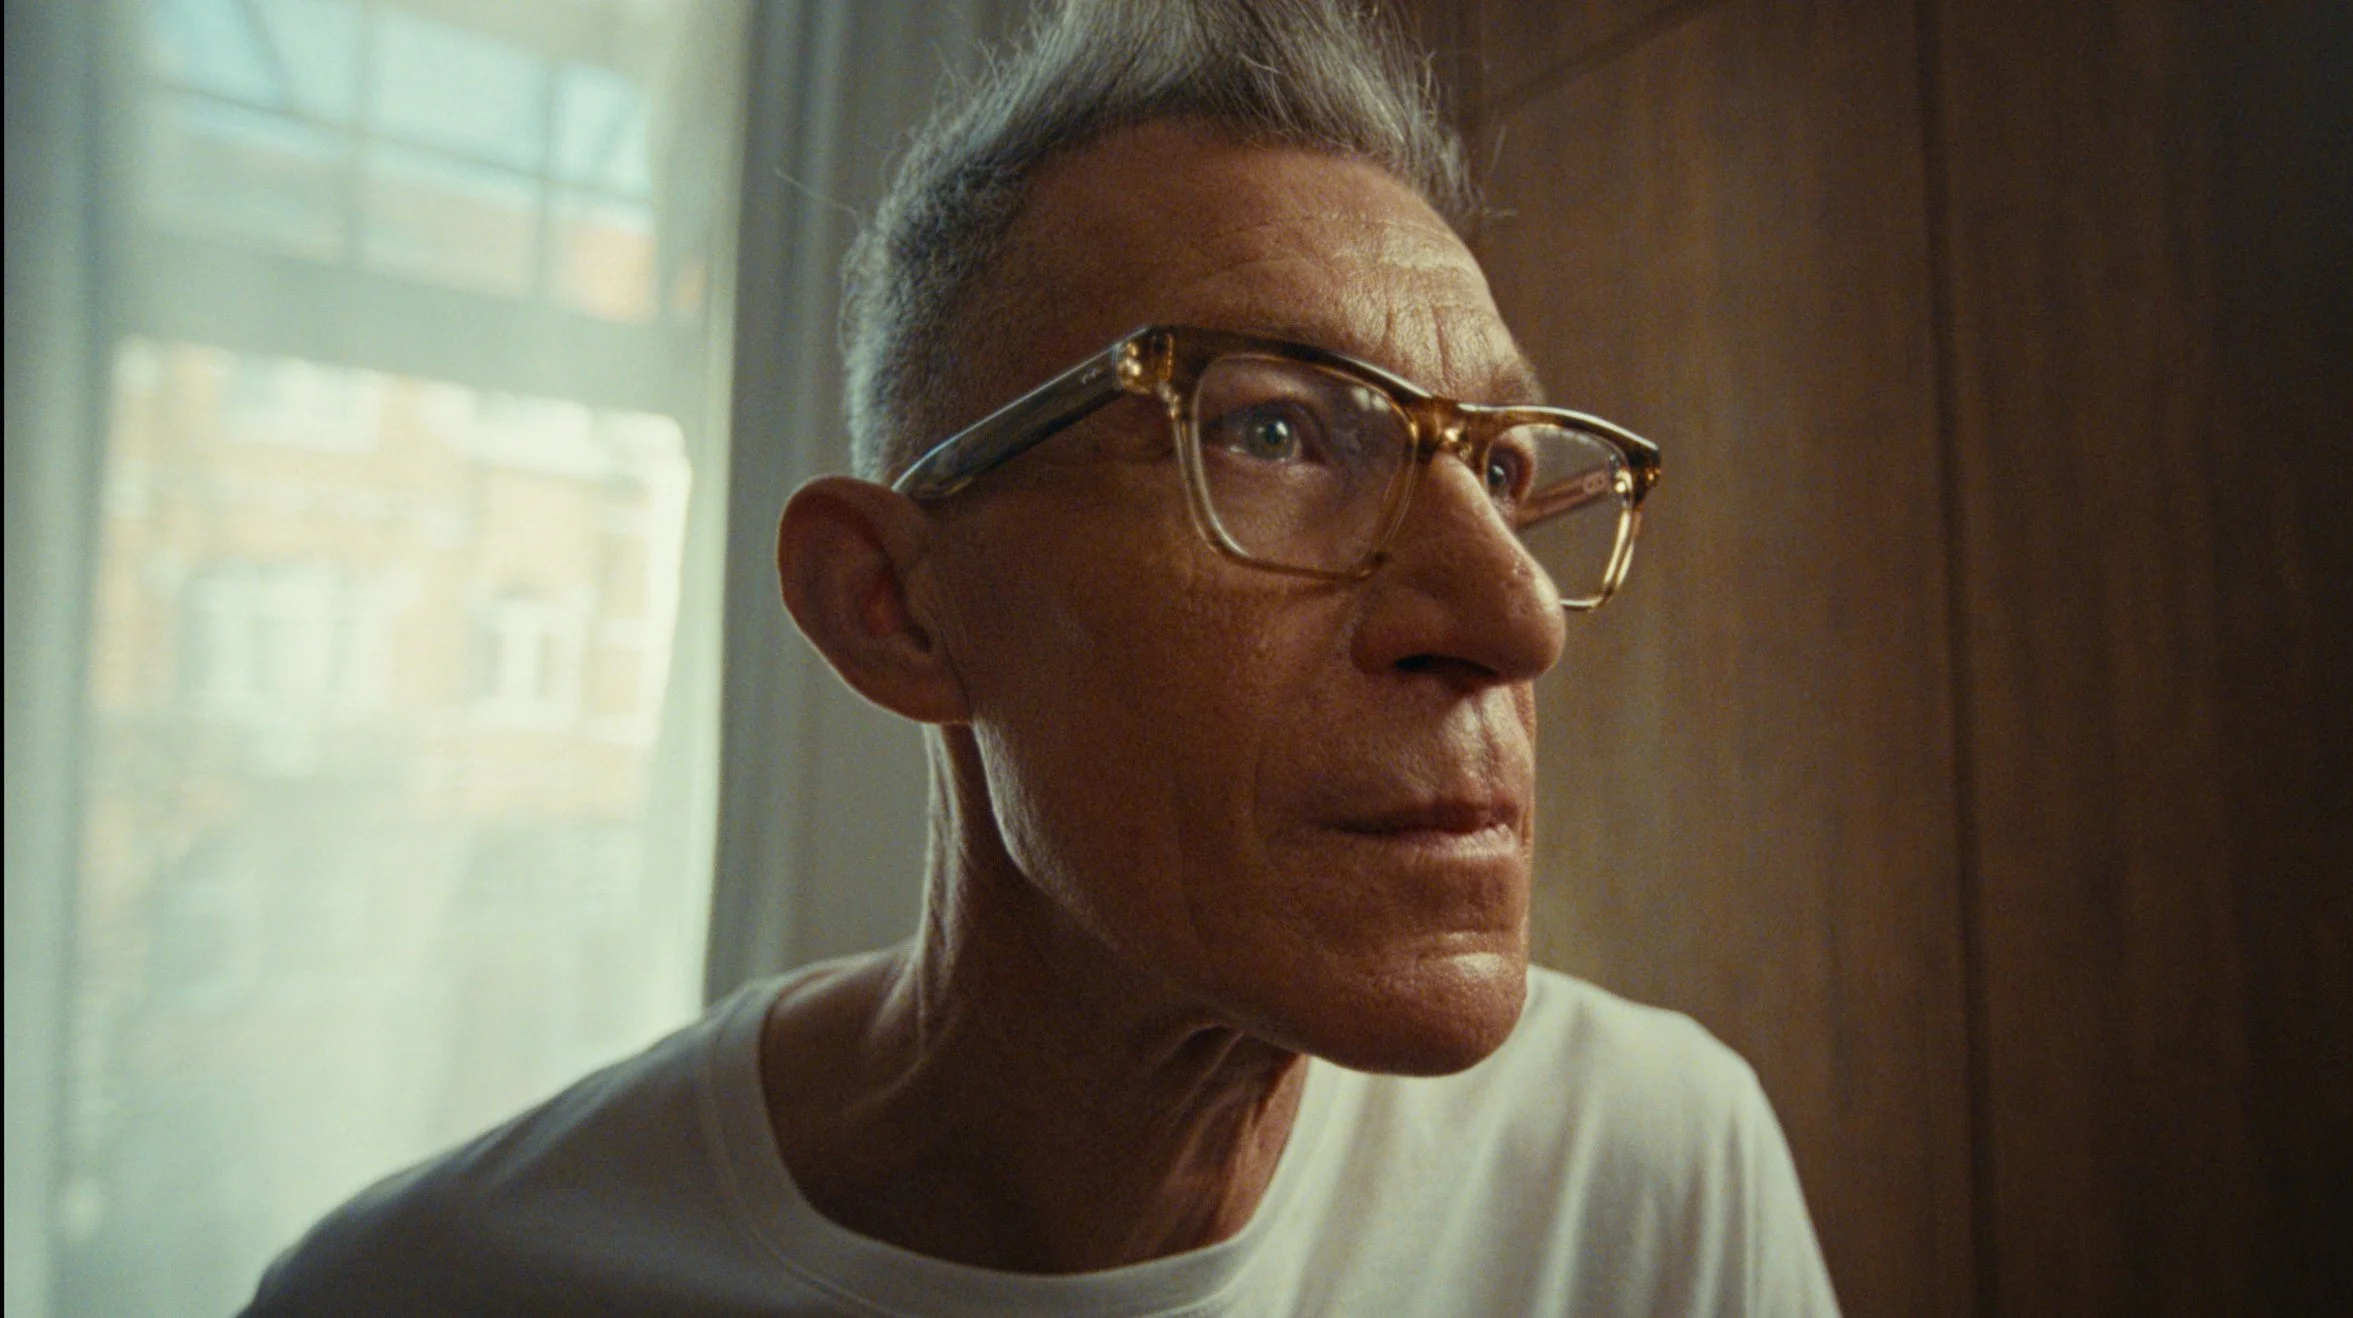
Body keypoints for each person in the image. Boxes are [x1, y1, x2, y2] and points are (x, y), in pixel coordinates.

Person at [244, 2, 1842, 1313]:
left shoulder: (1649, 1170)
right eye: (1272, 429)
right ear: (897, 604)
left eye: (1497, 472)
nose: (1515, 618)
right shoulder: (427, 1287)